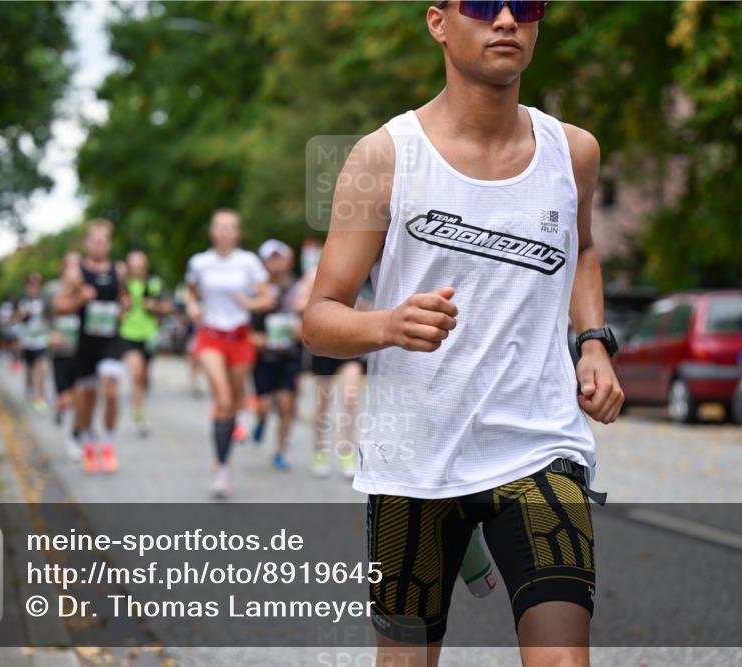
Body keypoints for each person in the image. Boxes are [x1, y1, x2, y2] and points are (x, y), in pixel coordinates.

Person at [302, 2, 624, 665]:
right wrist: (388, 324)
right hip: (415, 462)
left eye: (525, 5)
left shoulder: (575, 152)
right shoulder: (384, 158)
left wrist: (592, 339)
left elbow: (583, 248)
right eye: (481, 3)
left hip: (538, 444)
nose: (505, 18)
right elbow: (319, 318)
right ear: (439, 22)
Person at [185, 208, 274, 497]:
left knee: (235, 400)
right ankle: (221, 470)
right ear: (212, 231)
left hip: (239, 337)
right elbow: (190, 291)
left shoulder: (248, 262)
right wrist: (192, 306)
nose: (224, 231)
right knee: (222, 400)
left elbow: (267, 298)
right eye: (219, 226)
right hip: (210, 336)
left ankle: (237, 419)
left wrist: (249, 305)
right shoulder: (200, 262)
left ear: (237, 233)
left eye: (229, 227)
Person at [55, 219, 125, 474]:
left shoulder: (119, 271)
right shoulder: (77, 273)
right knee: (86, 397)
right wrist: (80, 300)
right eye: (94, 241)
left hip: (111, 341)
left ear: (109, 244)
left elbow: (123, 298)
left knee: (112, 390)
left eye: (103, 241)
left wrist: (123, 309)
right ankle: (86, 441)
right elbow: (59, 306)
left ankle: (107, 444)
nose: (99, 245)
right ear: (86, 244)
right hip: (85, 344)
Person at [296, 262, 367, 479]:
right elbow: (299, 304)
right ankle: (320, 450)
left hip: (349, 344)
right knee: (323, 404)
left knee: (351, 398)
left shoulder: (358, 270)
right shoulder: (313, 274)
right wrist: (322, 308)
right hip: (325, 346)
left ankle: (347, 452)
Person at [249, 239, 303, 471]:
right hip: (263, 357)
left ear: (288, 259)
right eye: (270, 258)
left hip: (289, 355)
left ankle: (280, 451)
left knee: (285, 405)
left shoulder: (300, 288)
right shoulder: (255, 289)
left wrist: (303, 329)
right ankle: (260, 419)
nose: (275, 262)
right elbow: (245, 323)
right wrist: (254, 338)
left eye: (279, 256)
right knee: (262, 405)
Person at [119, 250, 171, 437]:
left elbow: (168, 307)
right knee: (137, 372)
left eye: (141, 265)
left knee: (144, 377)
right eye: (134, 265)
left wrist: (155, 306)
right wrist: (122, 309)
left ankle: (140, 400)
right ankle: (139, 414)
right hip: (128, 334)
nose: (138, 269)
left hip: (149, 336)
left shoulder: (154, 284)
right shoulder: (123, 286)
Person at [44, 253, 82, 456]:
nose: (75, 272)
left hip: (81, 353)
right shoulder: (52, 290)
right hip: (60, 353)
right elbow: (42, 318)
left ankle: (73, 437)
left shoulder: (86, 292)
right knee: (65, 398)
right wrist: (50, 333)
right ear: (63, 269)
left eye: (78, 267)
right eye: (71, 267)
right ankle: (60, 409)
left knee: (78, 398)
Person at [15, 272, 50, 414]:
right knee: (29, 369)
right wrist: (22, 314)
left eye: (36, 285)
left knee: (41, 366)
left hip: (41, 340)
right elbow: (16, 318)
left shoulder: (44, 301)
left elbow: (49, 317)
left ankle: (39, 396)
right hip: (27, 341)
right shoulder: (22, 300)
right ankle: (30, 391)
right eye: (31, 285)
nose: (33, 288)